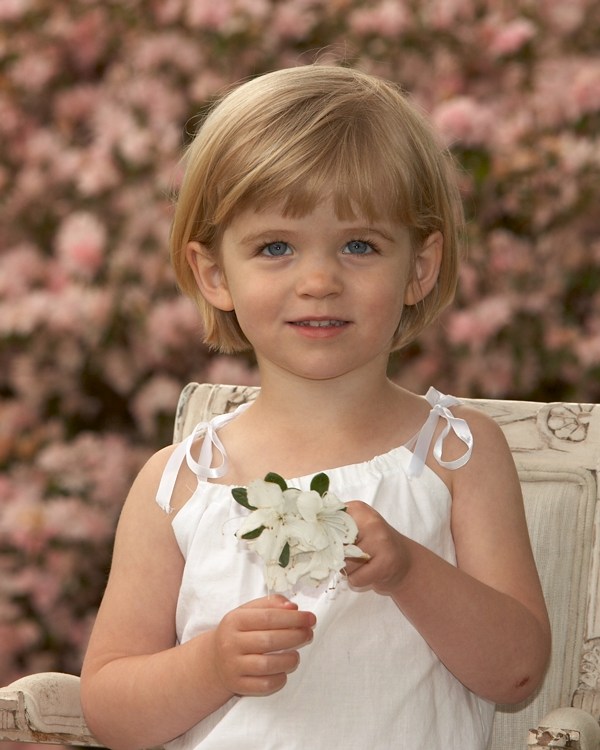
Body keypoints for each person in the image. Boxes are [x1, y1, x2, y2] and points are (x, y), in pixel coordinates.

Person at [80, 65, 550, 750]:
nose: (320, 280)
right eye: (276, 247)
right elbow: (109, 710)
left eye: (360, 245)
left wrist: (411, 572)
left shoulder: (455, 453)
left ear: (420, 267)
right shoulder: (181, 482)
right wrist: (209, 666)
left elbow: (518, 674)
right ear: (214, 274)